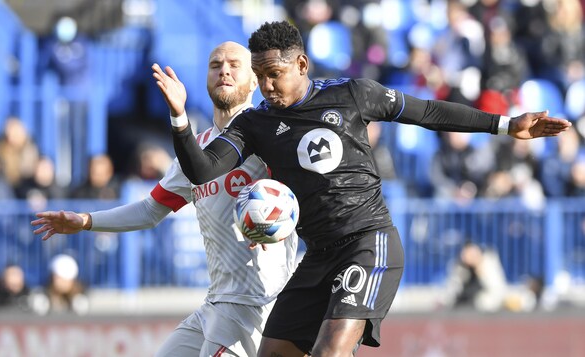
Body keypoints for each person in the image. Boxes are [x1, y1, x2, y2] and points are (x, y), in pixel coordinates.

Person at [152, 21, 571, 357]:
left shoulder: (351, 94)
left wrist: (504, 124)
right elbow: (203, 171)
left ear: (301, 64)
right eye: (259, 77)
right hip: (318, 257)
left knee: (330, 351)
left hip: (369, 244)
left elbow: (426, 111)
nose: (266, 87)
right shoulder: (254, 124)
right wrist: (179, 120)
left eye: (274, 75)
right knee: (274, 352)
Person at [32, 41, 298, 357]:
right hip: (216, 301)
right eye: (215, 64)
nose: (223, 69)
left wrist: (277, 222)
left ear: (255, 80)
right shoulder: (196, 151)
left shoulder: (272, 136)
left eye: (233, 64)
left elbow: (308, 193)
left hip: (254, 301)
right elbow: (150, 210)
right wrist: (87, 221)